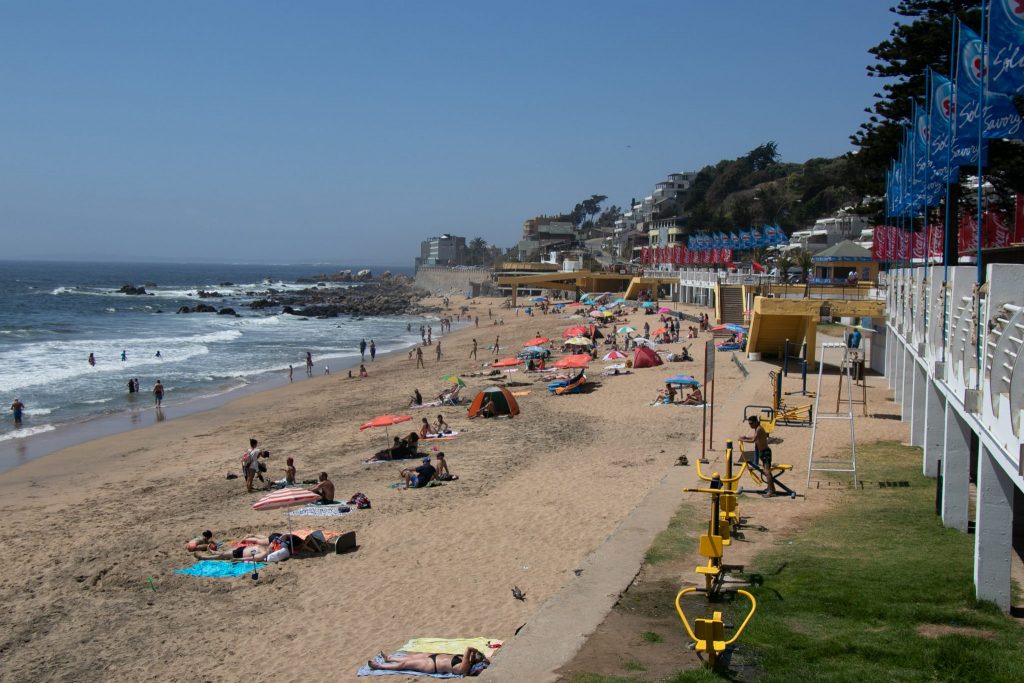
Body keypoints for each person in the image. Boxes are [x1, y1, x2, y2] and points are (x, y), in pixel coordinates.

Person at [368, 648, 488, 676]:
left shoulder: (464, 667)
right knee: (410, 658)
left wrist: (474, 651)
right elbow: (470, 654)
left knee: (404, 665)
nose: (471, 655)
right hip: (434, 656)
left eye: (473, 656)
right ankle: (389, 659)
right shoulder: (467, 659)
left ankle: (379, 666)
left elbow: (468, 649)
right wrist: (479, 656)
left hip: (432, 665)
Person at [740, 416, 775, 496]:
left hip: (765, 453)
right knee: (767, 472)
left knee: (767, 472)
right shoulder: (757, 429)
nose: (750, 425)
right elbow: (754, 438)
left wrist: (743, 440)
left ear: (756, 422)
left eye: (751, 423)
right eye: (749, 423)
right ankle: (771, 488)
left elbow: (753, 440)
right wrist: (745, 437)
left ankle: (771, 491)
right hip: (763, 453)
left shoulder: (759, 429)